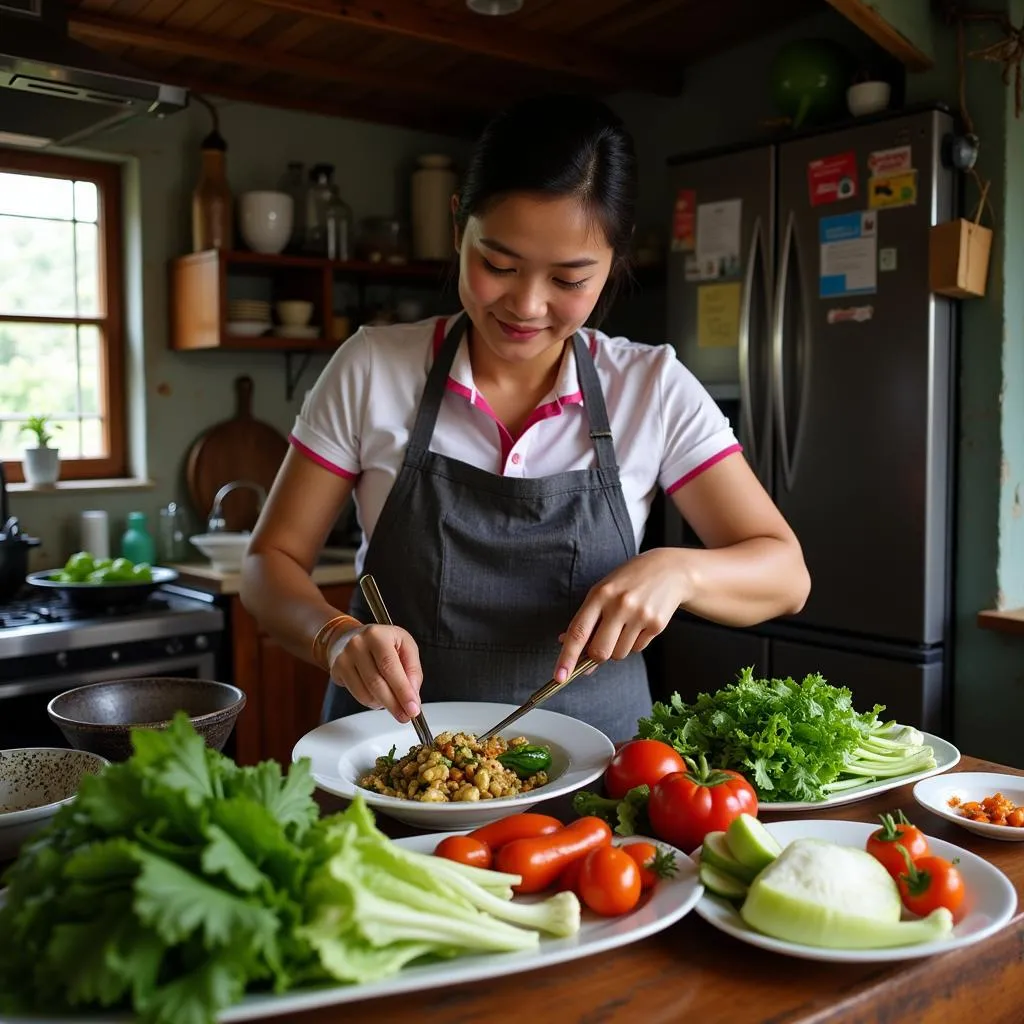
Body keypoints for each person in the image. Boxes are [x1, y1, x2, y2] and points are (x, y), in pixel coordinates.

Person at [239, 94, 810, 740]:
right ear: (459, 228)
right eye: (498, 265)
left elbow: (785, 575)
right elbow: (269, 563)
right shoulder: (373, 368)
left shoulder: (651, 387)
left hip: (596, 788)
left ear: (614, 265)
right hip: (390, 762)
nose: (527, 305)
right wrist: (336, 638)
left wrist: (680, 571)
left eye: (569, 281)